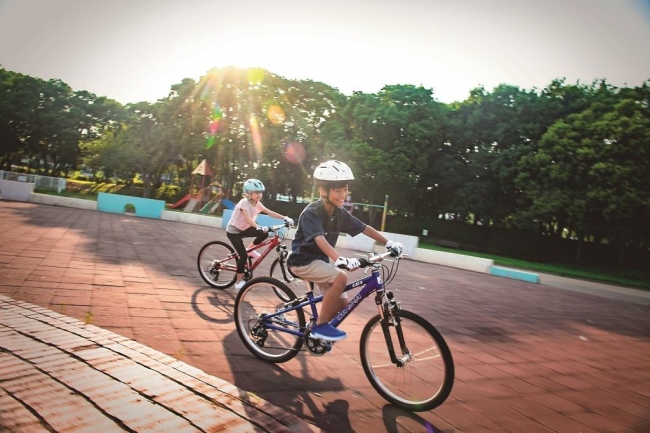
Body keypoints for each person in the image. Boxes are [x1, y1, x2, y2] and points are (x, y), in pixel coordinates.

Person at [287, 160, 404, 342]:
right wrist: (339, 259)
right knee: (341, 277)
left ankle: (316, 327)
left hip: (320, 263)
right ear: (323, 190)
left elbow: (364, 228)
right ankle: (320, 327)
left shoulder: (339, 212)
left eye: (345, 189)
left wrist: (389, 243)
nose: (344, 194)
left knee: (342, 303)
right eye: (338, 190)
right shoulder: (312, 212)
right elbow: (319, 238)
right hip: (302, 262)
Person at [226, 179, 293, 291]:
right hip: (234, 232)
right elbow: (248, 219)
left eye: (260, 192)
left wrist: (284, 218)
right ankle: (238, 282)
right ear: (248, 193)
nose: (259, 195)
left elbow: (269, 212)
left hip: (246, 229)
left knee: (265, 233)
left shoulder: (257, 204)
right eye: (256, 192)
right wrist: (258, 226)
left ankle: (250, 250)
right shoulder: (244, 203)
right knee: (242, 256)